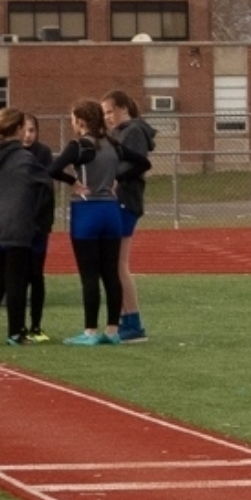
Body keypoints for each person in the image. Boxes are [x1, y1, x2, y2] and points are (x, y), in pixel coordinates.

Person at [51, 99, 149, 345]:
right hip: (111, 211)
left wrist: (72, 182)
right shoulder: (113, 144)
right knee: (110, 273)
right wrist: (117, 177)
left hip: (87, 210)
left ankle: (90, 331)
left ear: (81, 121)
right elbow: (143, 163)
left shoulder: (79, 146)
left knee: (89, 275)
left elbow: (52, 169)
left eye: (74, 119)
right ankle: (113, 330)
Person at [0, 108, 48, 346]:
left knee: (0, 276)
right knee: (17, 281)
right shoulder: (24, 158)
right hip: (16, 225)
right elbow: (44, 183)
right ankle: (16, 332)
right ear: (16, 130)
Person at [102, 90, 157, 343]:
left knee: (119, 264)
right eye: (104, 113)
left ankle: (133, 321)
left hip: (126, 200)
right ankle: (125, 319)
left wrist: (115, 178)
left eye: (110, 111)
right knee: (113, 264)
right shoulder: (120, 132)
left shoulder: (133, 131)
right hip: (118, 199)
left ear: (123, 107)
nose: (107, 117)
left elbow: (136, 163)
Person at [18, 113, 54, 341]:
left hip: (38, 224)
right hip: (15, 225)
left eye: (32, 130)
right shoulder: (10, 154)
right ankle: (18, 325)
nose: (28, 135)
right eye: (24, 130)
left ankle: (36, 325)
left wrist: (37, 221)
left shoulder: (43, 154)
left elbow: (45, 189)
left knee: (36, 275)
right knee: (17, 276)